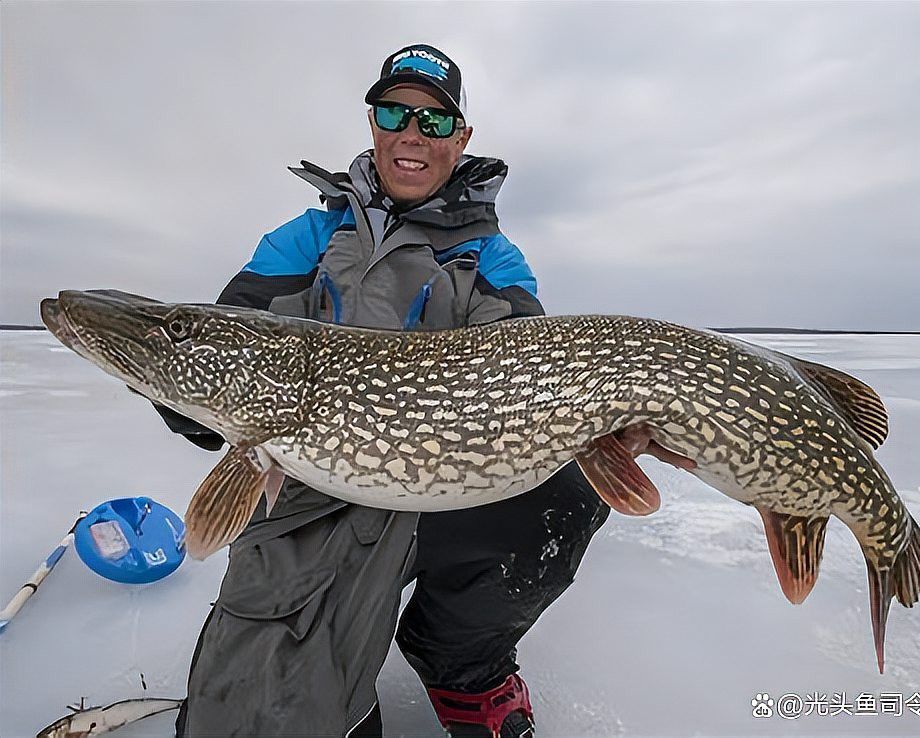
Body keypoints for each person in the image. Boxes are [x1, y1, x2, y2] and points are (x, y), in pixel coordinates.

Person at [158, 44, 609, 738]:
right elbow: (233, 338)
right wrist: (179, 385)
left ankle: (461, 661)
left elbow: (525, 381)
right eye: (395, 111)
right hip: (306, 484)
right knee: (262, 717)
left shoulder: (492, 258)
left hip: (445, 480)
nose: (411, 134)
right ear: (373, 123)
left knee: (560, 494)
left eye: (433, 121)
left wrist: (604, 422)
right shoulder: (305, 238)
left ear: (460, 140)